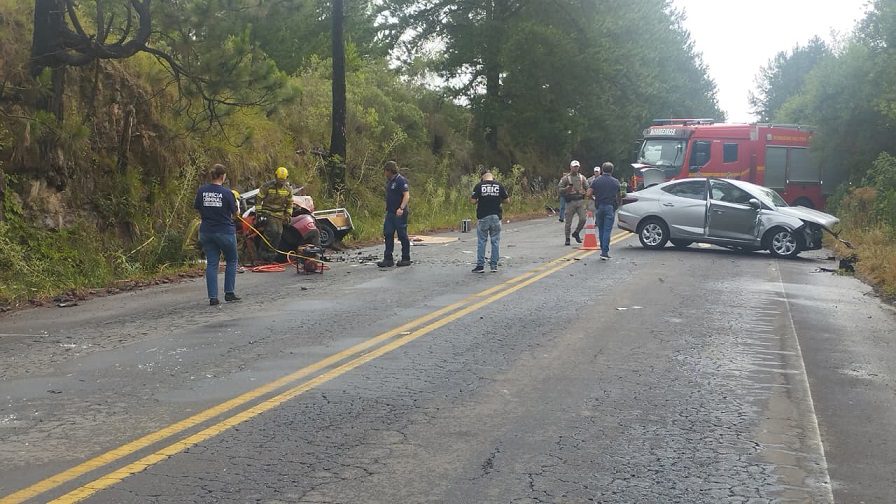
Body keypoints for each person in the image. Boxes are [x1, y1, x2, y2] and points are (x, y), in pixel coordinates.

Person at [193, 164, 241, 306]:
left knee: (212, 263)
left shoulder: (202, 191)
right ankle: (229, 293)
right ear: (222, 176)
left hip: (206, 232)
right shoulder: (227, 193)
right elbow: (236, 214)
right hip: (225, 232)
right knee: (232, 260)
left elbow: (197, 207)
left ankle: (213, 297)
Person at [470, 171, 509, 273]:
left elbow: (473, 201)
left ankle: (480, 266)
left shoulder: (479, 186)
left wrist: (481, 199)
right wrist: (497, 199)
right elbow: (507, 200)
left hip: (483, 217)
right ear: (493, 177)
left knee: (482, 241)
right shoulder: (499, 185)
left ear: (482, 178)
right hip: (496, 217)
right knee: (495, 241)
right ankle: (494, 266)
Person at [255, 166, 294, 263]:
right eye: (279, 180)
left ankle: (270, 258)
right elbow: (259, 199)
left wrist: (288, 215)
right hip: (268, 212)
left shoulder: (288, 189)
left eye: (283, 181)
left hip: (279, 215)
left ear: (286, 178)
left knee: (278, 234)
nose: (280, 182)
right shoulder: (267, 186)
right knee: (272, 231)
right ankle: (263, 256)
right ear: (275, 176)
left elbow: (290, 204)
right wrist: (258, 213)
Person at [377, 160, 411, 267]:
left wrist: (401, 208)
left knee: (402, 235)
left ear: (389, 170)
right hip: (390, 213)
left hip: (399, 213)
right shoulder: (390, 181)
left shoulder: (401, 180)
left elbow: (406, 195)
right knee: (388, 233)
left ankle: (406, 258)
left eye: (385, 171)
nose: (384, 174)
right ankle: (388, 258)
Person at [586, 161, 621, 260]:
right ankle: (604, 252)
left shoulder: (597, 181)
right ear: (612, 171)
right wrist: (617, 205)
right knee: (607, 230)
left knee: (601, 229)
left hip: (599, 206)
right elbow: (619, 195)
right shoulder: (615, 181)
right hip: (610, 206)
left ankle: (602, 249)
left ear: (602, 170)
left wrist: (594, 199)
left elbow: (588, 193)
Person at [559, 160, 588, 245]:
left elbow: (588, 187)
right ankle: (567, 238)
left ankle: (576, 232)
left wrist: (587, 193)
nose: (576, 168)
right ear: (571, 167)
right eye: (574, 166)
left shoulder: (582, 178)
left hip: (580, 201)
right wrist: (566, 189)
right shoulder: (565, 178)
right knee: (568, 222)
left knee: (583, 219)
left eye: (577, 166)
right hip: (570, 201)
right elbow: (559, 189)